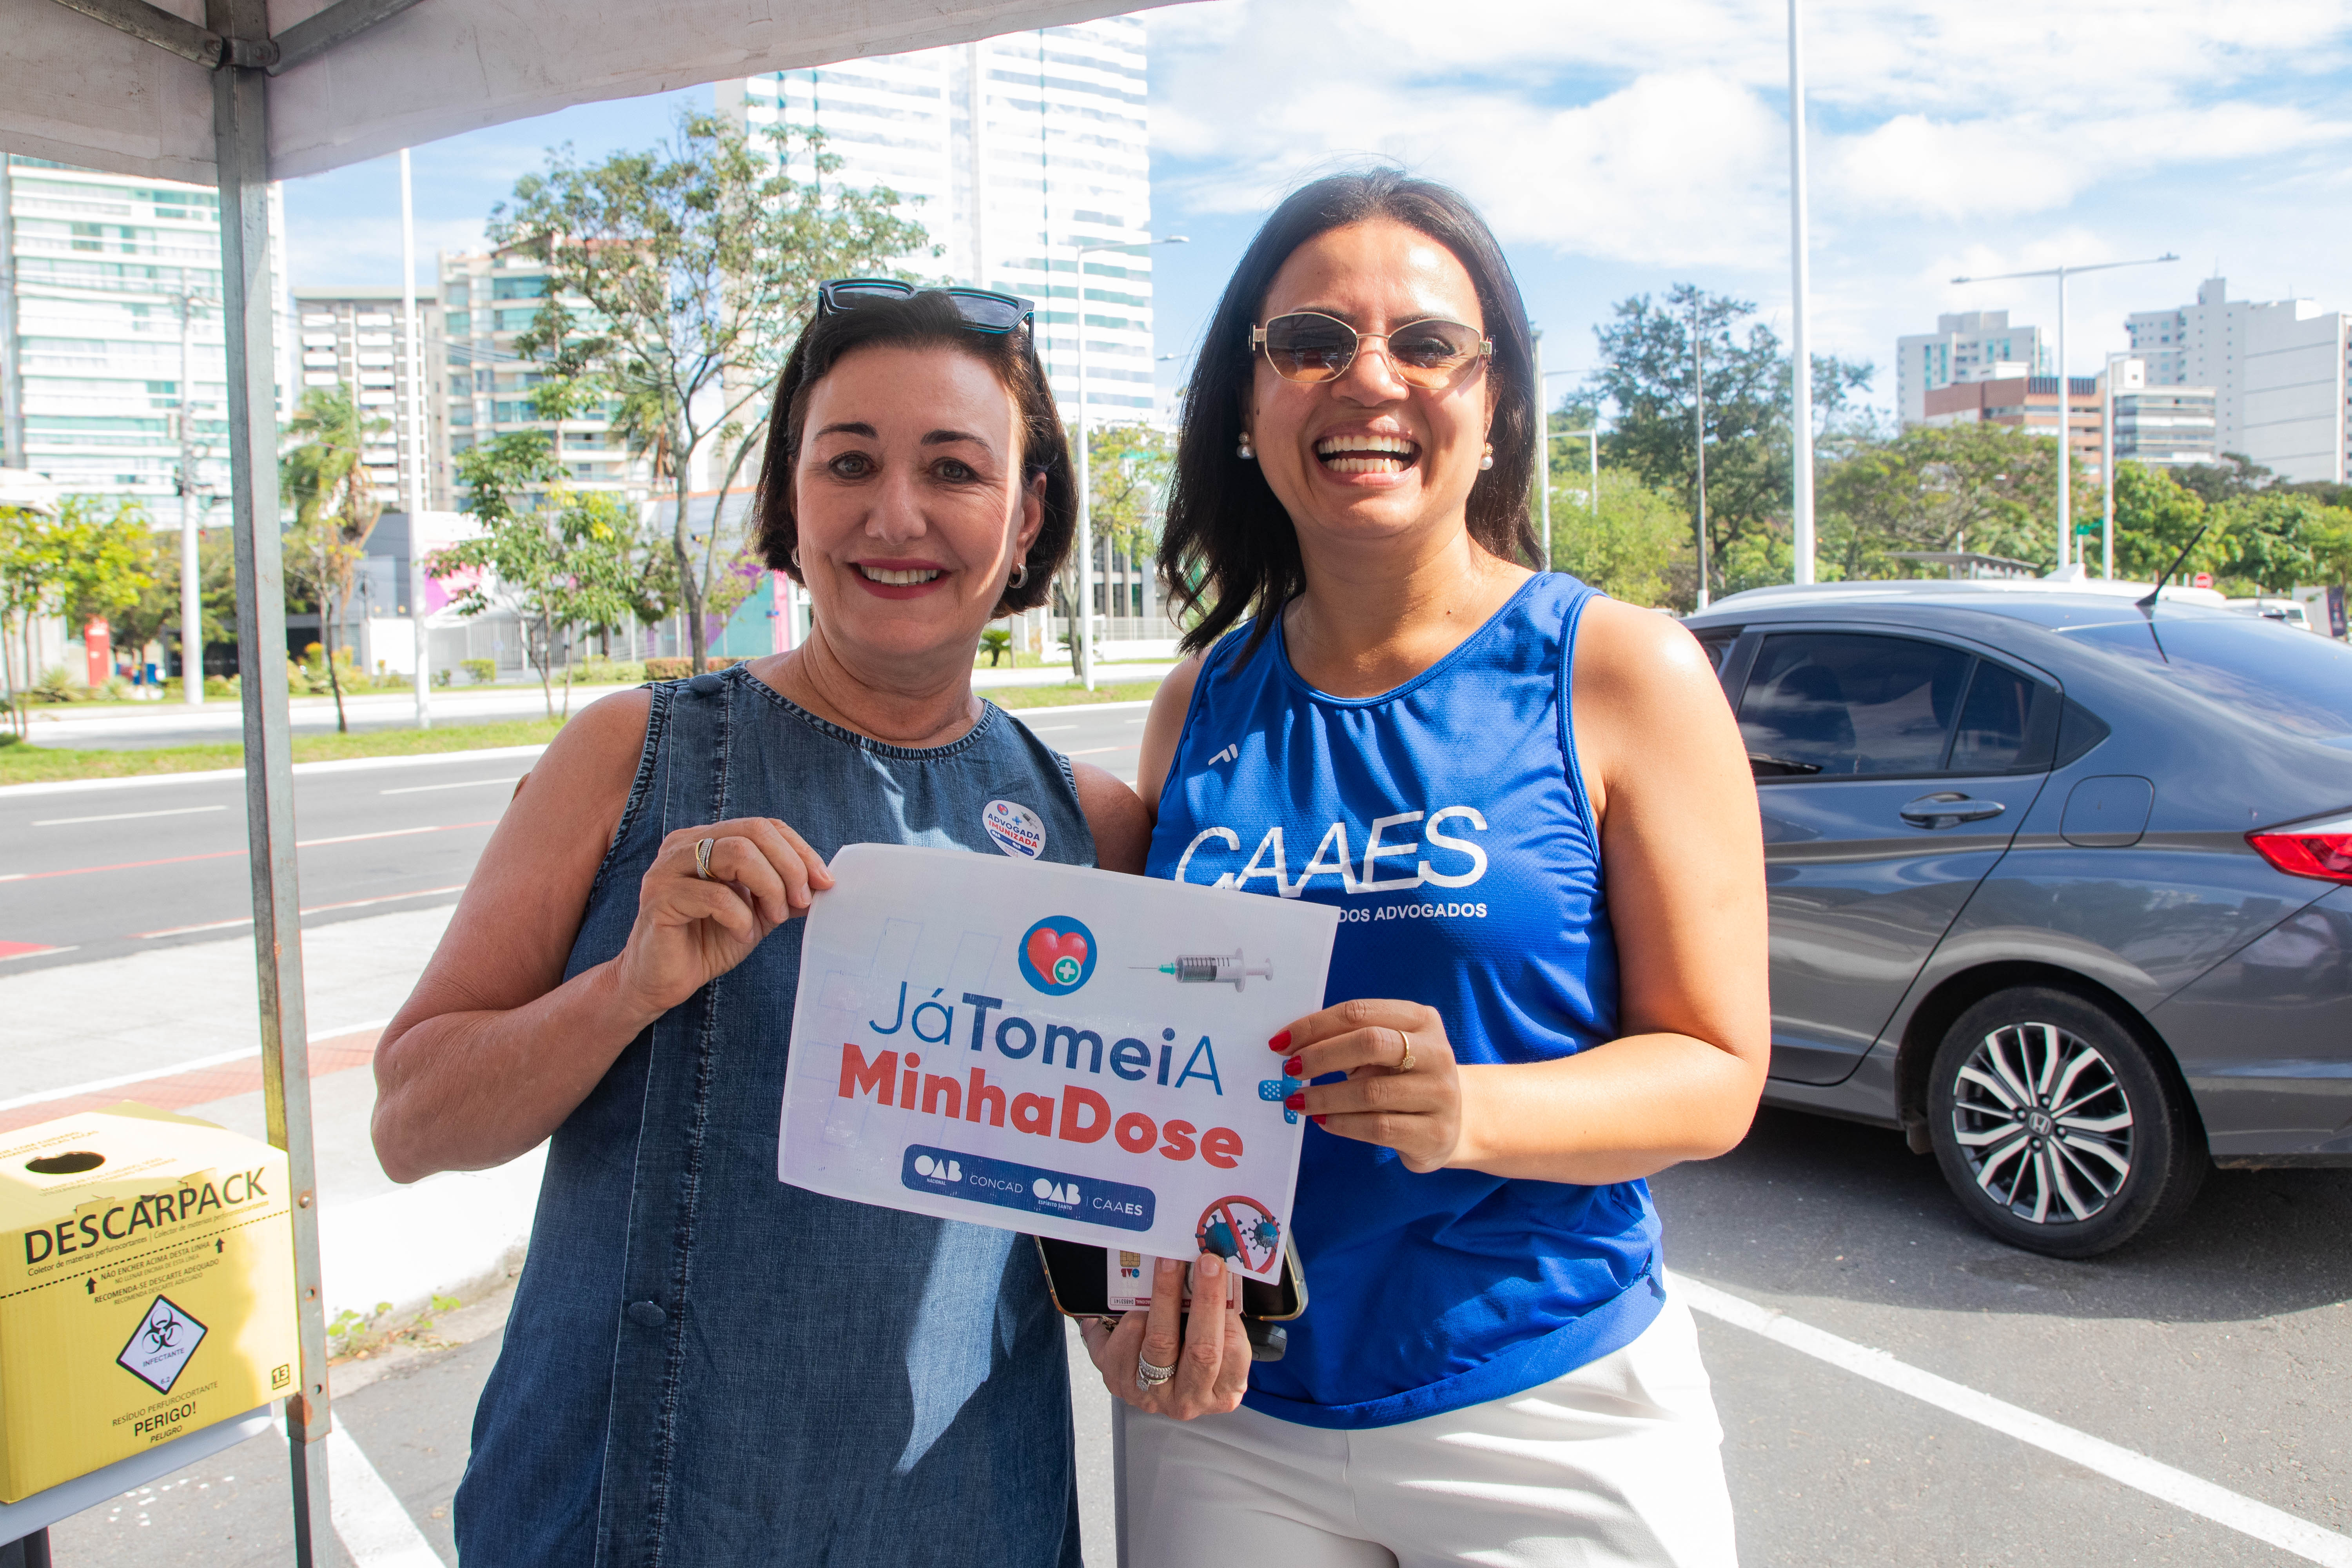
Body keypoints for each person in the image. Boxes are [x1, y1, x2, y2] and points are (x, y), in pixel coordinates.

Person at [370, 284, 1148, 1566]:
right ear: (790, 502)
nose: (894, 514)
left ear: (1028, 519)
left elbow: (1102, 1203)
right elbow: (413, 1122)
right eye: (849, 461)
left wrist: (1146, 1319)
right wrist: (625, 987)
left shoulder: (1091, 826)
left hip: (969, 1522)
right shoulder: (634, 751)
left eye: (954, 469)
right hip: (631, 1513)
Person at [1082, 171, 1770, 1566]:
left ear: (1496, 396)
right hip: (1229, 1416)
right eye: (1312, 343)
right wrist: (1110, 1285)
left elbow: (1713, 1071)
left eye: (1426, 343)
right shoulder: (1201, 699)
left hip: (1546, 1401)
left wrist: (1465, 1109)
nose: (1369, 380)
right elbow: (1145, 1068)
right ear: (1249, 397)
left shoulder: (1622, 670)